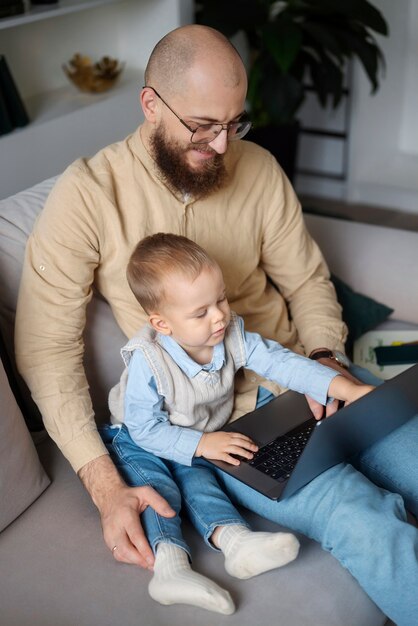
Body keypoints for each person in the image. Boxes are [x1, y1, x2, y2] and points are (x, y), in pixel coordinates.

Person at [14, 23, 418, 625]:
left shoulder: (258, 169)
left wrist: (327, 363)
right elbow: (47, 350)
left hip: (307, 378)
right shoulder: (89, 194)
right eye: (203, 126)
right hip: (230, 429)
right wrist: (105, 486)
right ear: (151, 104)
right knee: (364, 519)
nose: (224, 145)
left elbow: (307, 282)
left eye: (234, 123)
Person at [107, 232, 374, 613]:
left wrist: (343, 388)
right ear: (161, 324)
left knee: (201, 480)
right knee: (159, 490)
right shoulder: (147, 363)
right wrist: (201, 444)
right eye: (201, 313)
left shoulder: (230, 334)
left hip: (195, 434)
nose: (218, 315)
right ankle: (170, 569)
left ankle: (236, 542)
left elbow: (282, 363)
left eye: (220, 299)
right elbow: (146, 429)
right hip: (134, 437)